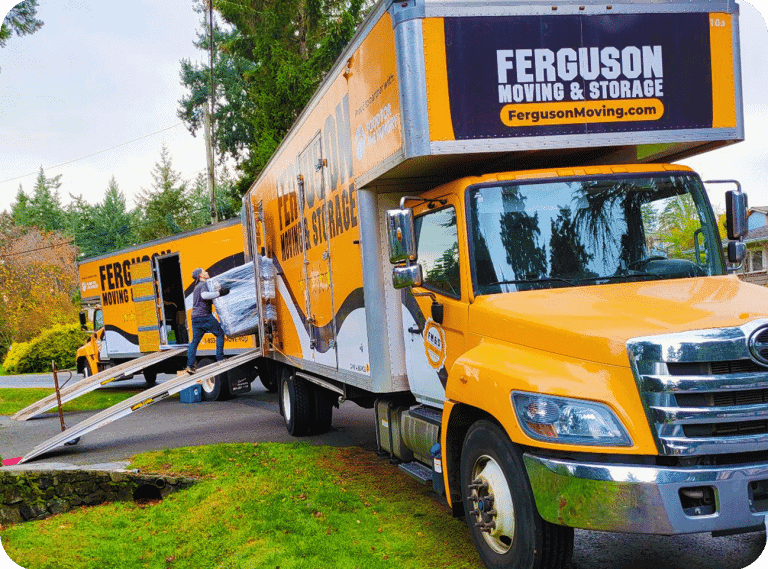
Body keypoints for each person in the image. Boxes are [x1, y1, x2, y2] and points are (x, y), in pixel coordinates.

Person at [185, 267, 230, 374]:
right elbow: (204, 296)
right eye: (204, 271)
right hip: (204, 316)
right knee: (219, 333)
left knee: (194, 342)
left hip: (195, 318)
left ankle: (190, 366)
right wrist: (220, 293)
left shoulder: (196, 287)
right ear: (201, 276)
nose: (207, 272)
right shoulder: (203, 284)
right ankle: (220, 358)